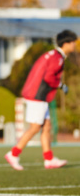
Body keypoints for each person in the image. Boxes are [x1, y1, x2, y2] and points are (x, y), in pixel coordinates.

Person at [5, 30, 77, 170]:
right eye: (73, 42)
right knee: (35, 128)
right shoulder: (57, 58)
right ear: (66, 43)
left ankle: (49, 159)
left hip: (38, 94)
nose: (74, 45)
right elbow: (49, 78)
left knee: (47, 126)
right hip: (37, 95)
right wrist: (61, 85)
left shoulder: (53, 55)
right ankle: (13, 154)